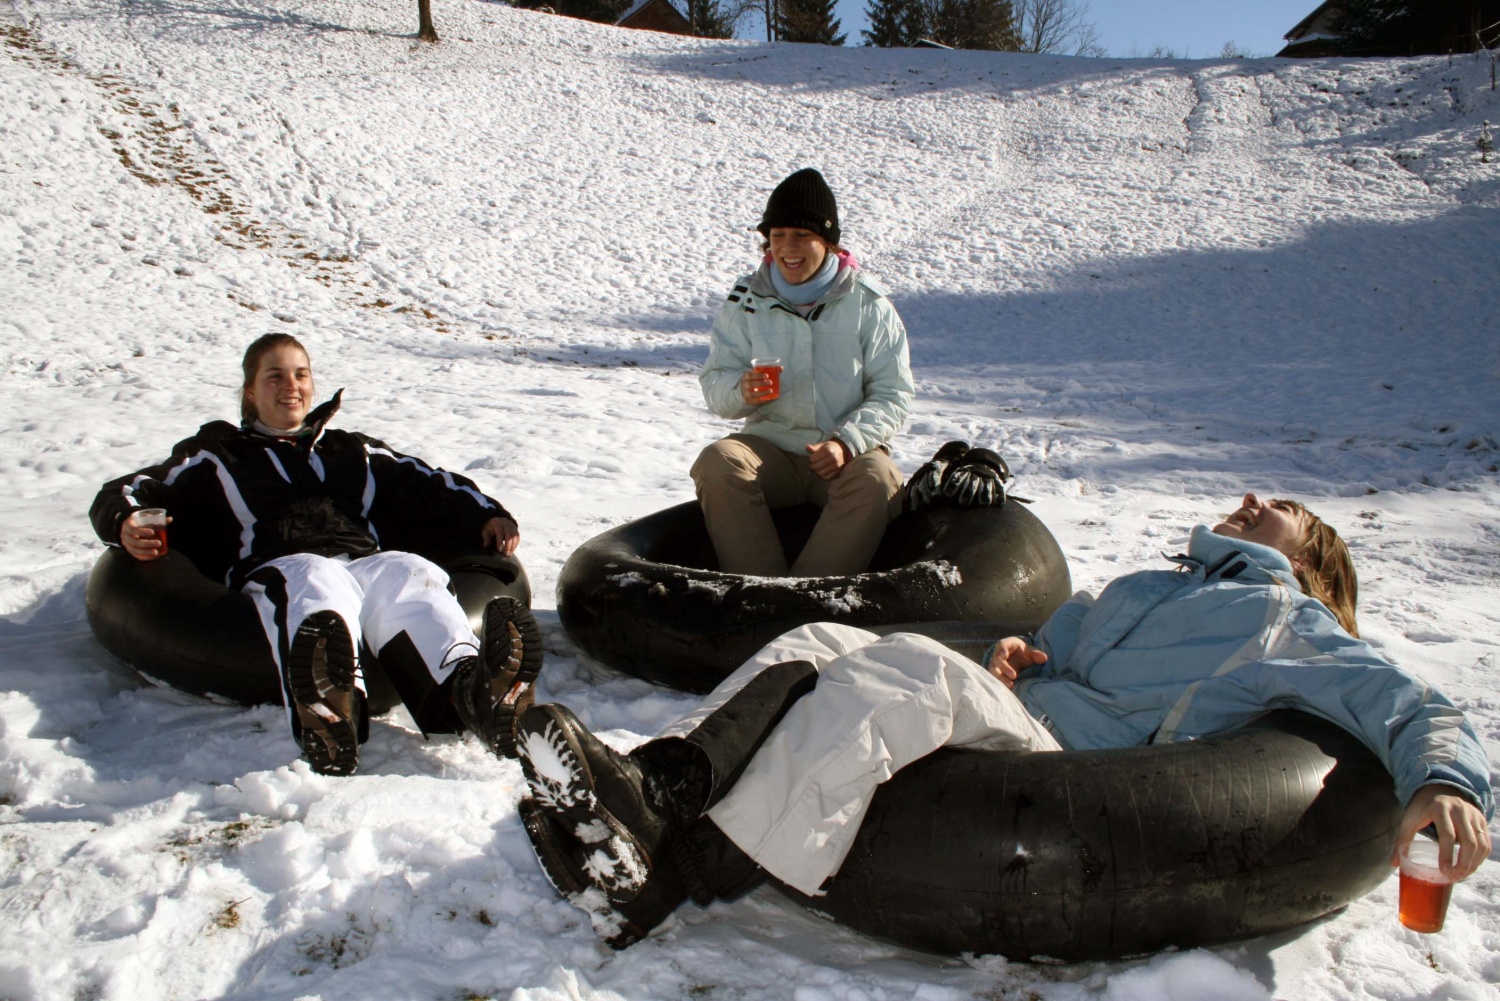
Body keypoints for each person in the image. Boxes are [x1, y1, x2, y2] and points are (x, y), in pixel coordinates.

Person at [514, 493, 1493, 948]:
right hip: (1025, 708)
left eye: (1277, 506)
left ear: (1316, 562)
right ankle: (652, 786)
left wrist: (1448, 780)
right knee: (818, 639)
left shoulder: (1293, 620)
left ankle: (669, 875)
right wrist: (1025, 656)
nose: (1248, 502)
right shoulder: (1156, 583)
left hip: (1079, 764)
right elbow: (1056, 647)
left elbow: (1411, 702)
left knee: (899, 674)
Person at [90, 333, 542, 776]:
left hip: (360, 561)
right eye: (275, 376)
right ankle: (330, 717)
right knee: (315, 578)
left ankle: (472, 696)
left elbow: (427, 482)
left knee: (409, 570)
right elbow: (133, 489)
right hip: (279, 566)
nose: (291, 386)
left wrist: (485, 514)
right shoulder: (217, 455)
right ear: (250, 391)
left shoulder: (350, 451)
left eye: (300, 375)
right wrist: (126, 521)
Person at [692, 168, 915, 577]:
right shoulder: (746, 301)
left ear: (828, 243)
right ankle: (758, 591)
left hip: (842, 455)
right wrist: (742, 390)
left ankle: (807, 598)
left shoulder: (868, 304)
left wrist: (847, 443)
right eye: (777, 236)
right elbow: (714, 383)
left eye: (801, 236)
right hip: (770, 449)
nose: (787, 248)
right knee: (718, 461)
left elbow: (893, 393)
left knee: (880, 477)